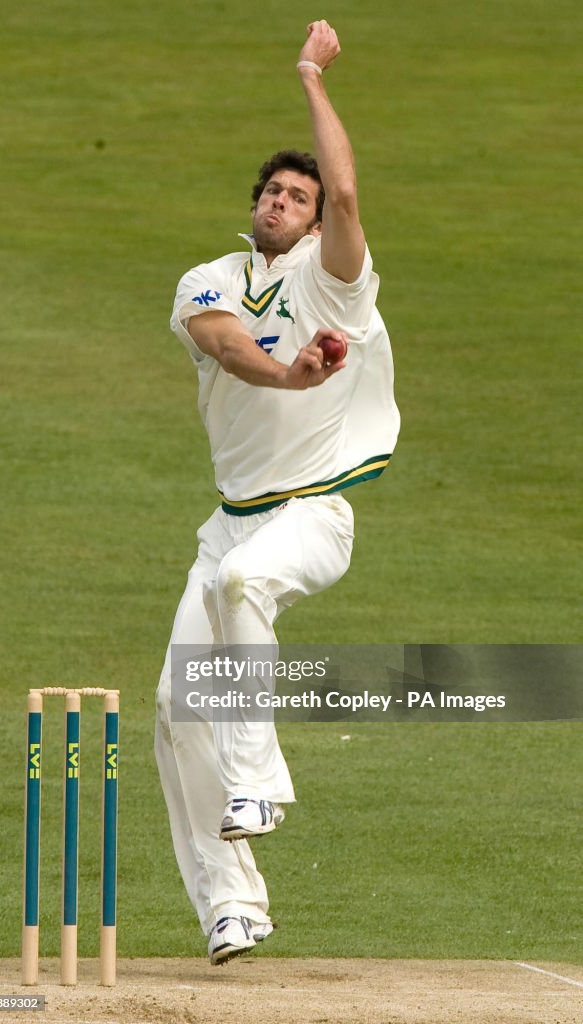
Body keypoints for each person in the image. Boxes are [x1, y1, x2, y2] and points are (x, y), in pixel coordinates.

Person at [154, 19, 400, 965]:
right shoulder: (207, 278)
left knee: (245, 585)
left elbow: (345, 185)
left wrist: (310, 75)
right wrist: (285, 375)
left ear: (312, 219)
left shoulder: (337, 284)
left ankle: (259, 775)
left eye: (295, 197)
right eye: (271, 190)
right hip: (230, 523)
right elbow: (223, 343)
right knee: (177, 708)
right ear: (252, 203)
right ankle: (232, 906)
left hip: (312, 515)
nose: (282, 202)